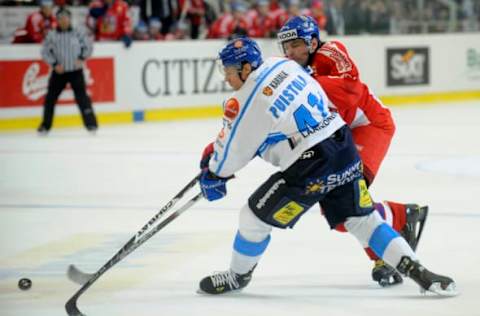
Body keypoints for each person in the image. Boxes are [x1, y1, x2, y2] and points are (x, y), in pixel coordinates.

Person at [197, 37, 457, 297]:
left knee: (251, 219)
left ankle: (237, 275)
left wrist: (213, 174)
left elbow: (230, 158)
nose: (226, 78)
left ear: (245, 69)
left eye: (229, 71)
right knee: (362, 220)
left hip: (311, 166)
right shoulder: (282, 66)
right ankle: (419, 271)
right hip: (344, 148)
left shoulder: (245, 101)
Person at [276, 15, 427, 287]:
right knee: (338, 214)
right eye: (286, 47)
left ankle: (385, 250)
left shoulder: (330, 52)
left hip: (372, 125)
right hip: (345, 133)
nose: (290, 52)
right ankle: (400, 215)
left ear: (312, 42)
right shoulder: (296, 72)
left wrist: (310, 82)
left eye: (296, 44)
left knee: (351, 203)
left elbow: (350, 92)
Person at [38, 8, 98, 134]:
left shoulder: (78, 32)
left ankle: (91, 125)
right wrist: (54, 64)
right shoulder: (52, 35)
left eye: (66, 18)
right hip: (59, 73)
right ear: (57, 20)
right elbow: (45, 52)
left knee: (82, 98)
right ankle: (45, 126)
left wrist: (82, 58)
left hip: (76, 71)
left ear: (70, 19)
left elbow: (88, 46)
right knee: (50, 99)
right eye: (60, 18)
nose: (63, 21)